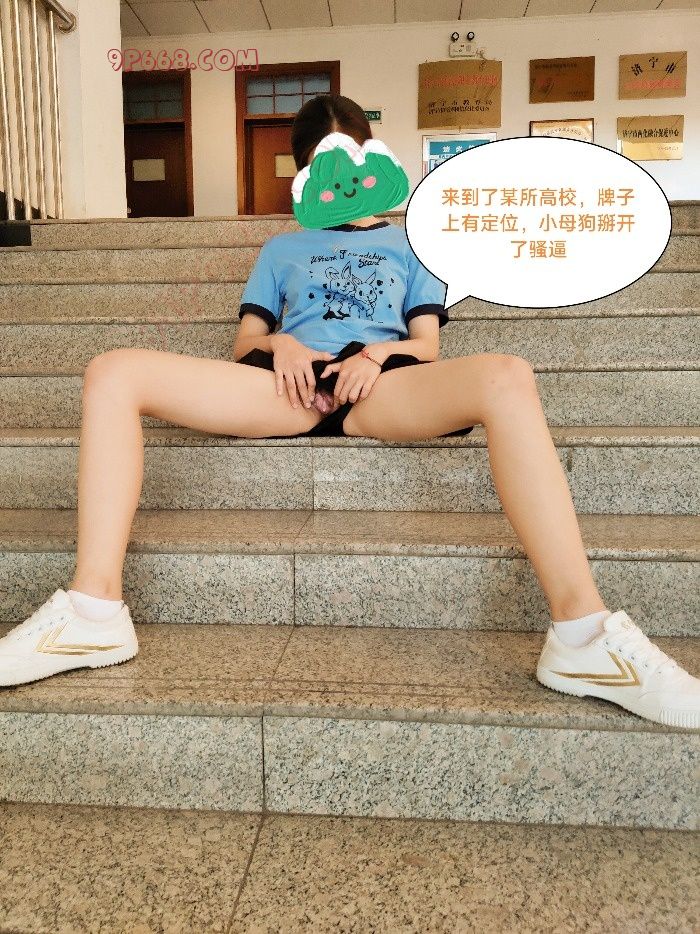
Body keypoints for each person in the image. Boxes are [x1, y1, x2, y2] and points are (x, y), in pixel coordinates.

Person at [1, 95, 697, 731]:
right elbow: (244, 342)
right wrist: (281, 343)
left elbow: (426, 346)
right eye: (320, 165)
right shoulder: (281, 248)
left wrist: (377, 355)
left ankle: (583, 635)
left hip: (382, 387)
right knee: (112, 372)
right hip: (289, 389)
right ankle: (93, 612)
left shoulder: (415, 244)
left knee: (508, 376)